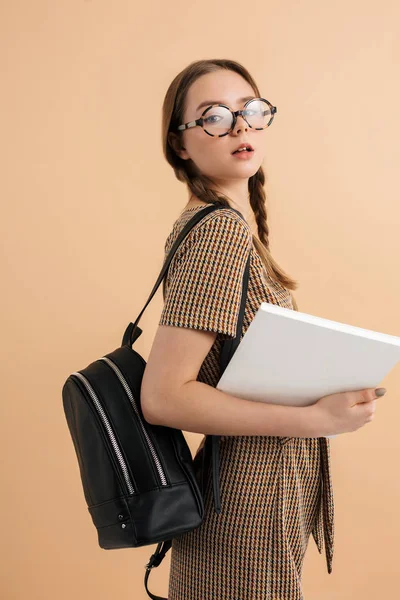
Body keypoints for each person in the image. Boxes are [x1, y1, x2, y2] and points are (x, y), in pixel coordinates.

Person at [141, 58, 385, 600]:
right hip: (248, 504)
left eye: (250, 109)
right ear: (180, 144)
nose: (241, 126)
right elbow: (163, 397)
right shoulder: (217, 234)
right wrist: (315, 418)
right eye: (214, 117)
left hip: (257, 494)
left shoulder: (222, 225)